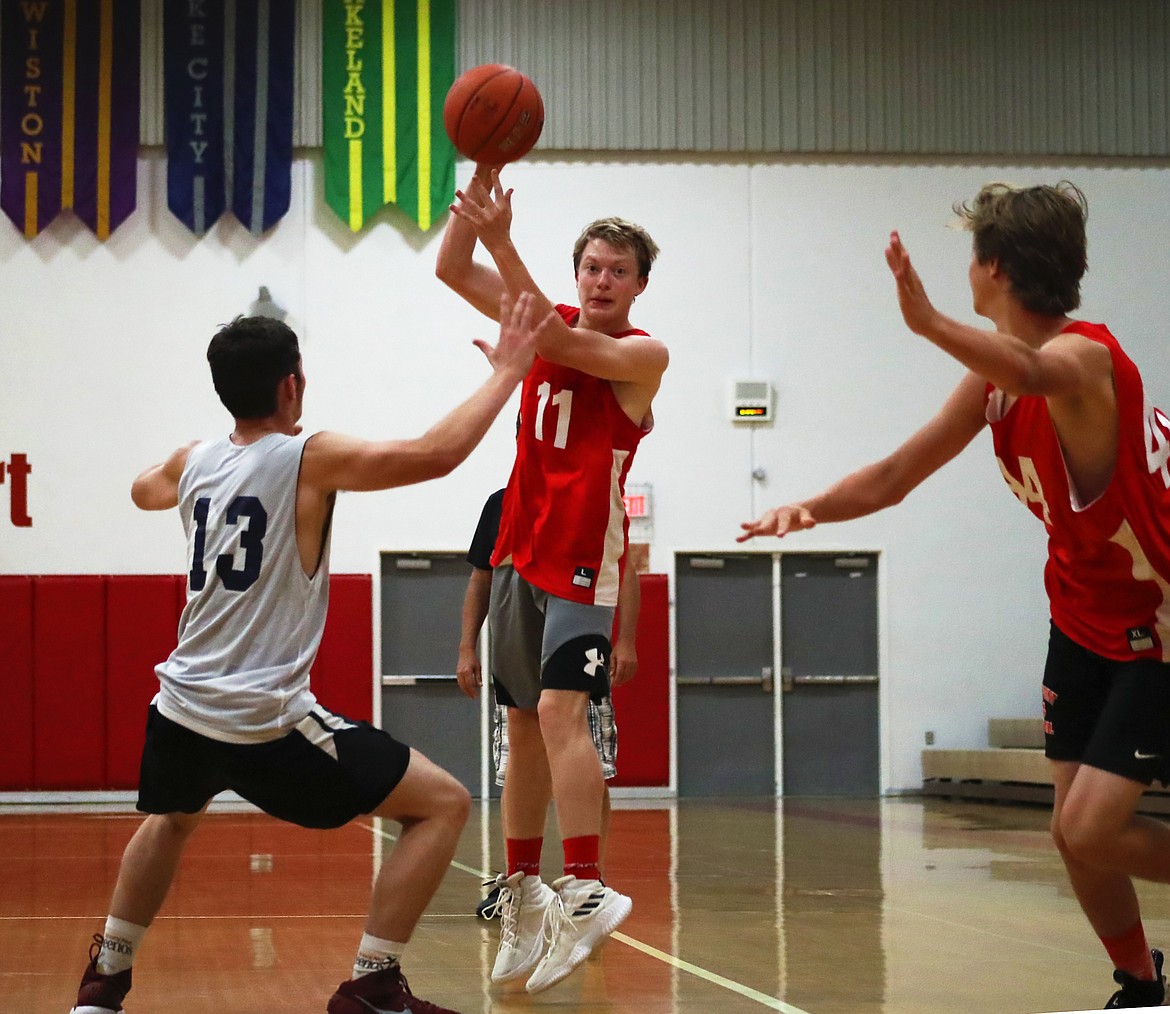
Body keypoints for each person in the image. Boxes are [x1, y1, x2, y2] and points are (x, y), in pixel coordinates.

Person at [740, 181, 1170, 1010]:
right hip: (1081, 616)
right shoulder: (994, 387)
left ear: (994, 267)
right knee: (1070, 835)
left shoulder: (1086, 360)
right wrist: (810, 509)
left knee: (1093, 829)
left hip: (1157, 623)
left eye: (970, 255)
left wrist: (930, 322)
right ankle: (1141, 985)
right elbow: (899, 474)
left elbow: (1035, 367)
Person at [69, 299, 540, 1014]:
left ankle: (104, 978)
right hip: (263, 719)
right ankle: (375, 983)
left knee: (171, 818)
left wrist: (192, 470)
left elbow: (142, 490)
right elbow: (434, 455)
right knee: (443, 804)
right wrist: (508, 371)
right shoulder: (307, 457)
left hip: (181, 704)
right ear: (293, 385)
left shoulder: (191, 462)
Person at [435, 165, 667, 994]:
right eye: (592, 267)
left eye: (618, 271)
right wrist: (479, 185)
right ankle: (524, 890)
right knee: (521, 729)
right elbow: (450, 271)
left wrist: (504, 235)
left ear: (639, 285)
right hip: (517, 553)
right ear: (576, 274)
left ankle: (584, 887)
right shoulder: (550, 317)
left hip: (580, 558)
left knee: (564, 716)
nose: (602, 280)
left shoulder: (642, 354)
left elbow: (562, 346)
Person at [456, 487, 641, 919]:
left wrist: (626, 639)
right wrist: (467, 647)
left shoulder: (597, 497)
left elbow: (624, 567)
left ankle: (592, 880)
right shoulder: (502, 503)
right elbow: (481, 577)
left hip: (574, 643)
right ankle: (520, 881)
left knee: (588, 759)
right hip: (520, 649)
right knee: (520, 764)